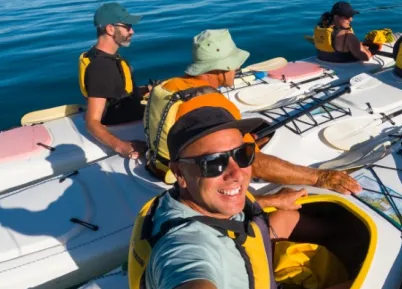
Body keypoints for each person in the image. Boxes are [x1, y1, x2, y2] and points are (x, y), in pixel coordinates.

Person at [130, 105, 358, 289]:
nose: (236, 173)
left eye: (243, 154)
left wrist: (273, 201)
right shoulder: (187, 248)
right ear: (179, 173)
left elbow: (229, 204)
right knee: (365, 286)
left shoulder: (179, 201)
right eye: (212, 163)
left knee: (297, 220)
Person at [145, 28, 361, 195]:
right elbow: (254, 164)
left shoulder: (169, 85)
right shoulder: (213, 104)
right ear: (220, 67)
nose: (238, 69)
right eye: (234, 64)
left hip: (159, 163)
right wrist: (318, 177)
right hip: (186, 179)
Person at [80, 2, 149, 159]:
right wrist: (122, 147)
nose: (132, 31)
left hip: (127, 109)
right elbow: (92, 122)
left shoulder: (104, 57)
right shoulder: (100, 67)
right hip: (124, 122)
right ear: (110, 29)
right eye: (127, 26)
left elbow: (115, 91)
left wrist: (146, 90)